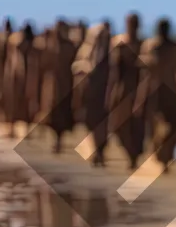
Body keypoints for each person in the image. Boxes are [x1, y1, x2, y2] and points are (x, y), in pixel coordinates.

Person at [140, 18, 176, 171]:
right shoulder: (151, 46)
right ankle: (161, 153)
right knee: (155, 126)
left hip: (169, 91)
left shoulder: (175, 46)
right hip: (155, 91)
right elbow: (144, 74)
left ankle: (164, 152)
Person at [108, 13, 148, 169]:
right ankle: (129, 153)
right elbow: (114, 72)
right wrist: (112, 92)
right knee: (118, 125)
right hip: (123, 89)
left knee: (138, 125)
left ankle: (134, 157)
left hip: (139, 88)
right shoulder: (120, 44)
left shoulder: (143, 44)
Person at [73, 21, 113, 166]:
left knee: (103, 124)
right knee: (92, 123)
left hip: (104, 93)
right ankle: (96, 151)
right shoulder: (86, 50)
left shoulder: (111, 52)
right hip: (90, 93)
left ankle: (100, 152)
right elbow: (77, 68)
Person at [39, 19, 78, 153]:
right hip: (52, 86)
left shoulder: (69, 46)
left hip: (65, 85)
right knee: (52, 113)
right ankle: (56, 140)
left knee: (62, 114)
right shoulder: (50, 45)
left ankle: (59, 140)